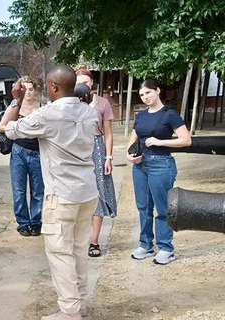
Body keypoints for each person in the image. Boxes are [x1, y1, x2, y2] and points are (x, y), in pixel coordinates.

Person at [5, 66, 98, 320]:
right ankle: (79, 303)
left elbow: (7, 129)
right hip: (87, 191)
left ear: (54, 87)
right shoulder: (90, 114)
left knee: (60, 252)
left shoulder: (46, 115)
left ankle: (69, 311)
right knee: (79, 249)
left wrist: (16, 99)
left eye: (48, 85)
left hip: (62, 195)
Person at [126, 78, 191, 265]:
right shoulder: (141, 116)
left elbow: (186, 140)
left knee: (163, 208)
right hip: (140, 165)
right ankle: (146, 244)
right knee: (143, 207)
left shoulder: (169, 115)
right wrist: (130, 156)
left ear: (157, 91)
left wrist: (160, 142)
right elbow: (132, 140)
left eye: (148, 92)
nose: (145, 97)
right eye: (141, 95)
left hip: (161, 163)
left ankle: (165, 248)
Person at [76, 68, 117, 258]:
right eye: (79, 81)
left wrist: (108, 157)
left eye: (86, 81)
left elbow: (108, 133)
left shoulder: (101, 103)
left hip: (97, 147)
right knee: (77, 194)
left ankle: (94, 240)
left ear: (92, 83)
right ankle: (78, 239)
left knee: (98, 193)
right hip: (76, 149)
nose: (83, 84)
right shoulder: (70, 104)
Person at [0, 76, 45, 237]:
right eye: (24, 89)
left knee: (38, 190)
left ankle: (36, 222)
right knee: (19, 189)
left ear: (35, 90)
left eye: (31, 89)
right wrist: (19, 128)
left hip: (38, 150)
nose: (28, 93)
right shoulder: (15, 106)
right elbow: (1, 127)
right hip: (19, 149)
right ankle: (23, 222)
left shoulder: (42, 108)